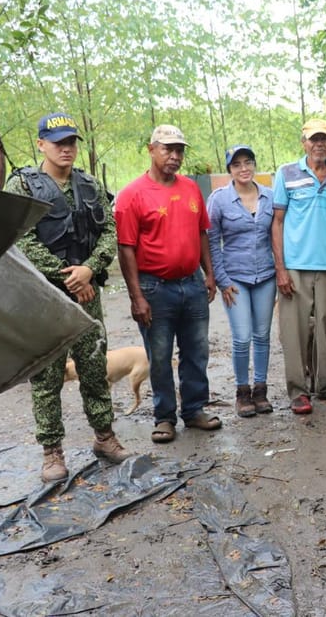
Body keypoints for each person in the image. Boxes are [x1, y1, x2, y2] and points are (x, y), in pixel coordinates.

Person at [5, 112, 132, 480]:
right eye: (58, 142)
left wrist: (90, 268)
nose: (66, 148)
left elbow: (109, 229)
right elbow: (22, 238)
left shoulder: (89, 185)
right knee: (47, 375)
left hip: (87, 291)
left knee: (94, 368)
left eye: (71, 141)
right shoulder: (23, 186)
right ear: (41, 144)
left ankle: (104, 437)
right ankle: (52, 452)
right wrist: (70, 278)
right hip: (43, 297)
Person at [116, 124, 220, 443]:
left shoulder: (190, 189)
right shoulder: (131, 195)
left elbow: (202, 232)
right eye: (167, 149)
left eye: (179, 151)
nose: (175, 156)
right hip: (154, 288)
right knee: (159, 355)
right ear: (151, 149)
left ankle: (194, 410)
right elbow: (126, 248)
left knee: (196, 351)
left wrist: (209, 273)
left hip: (192, 285)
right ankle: (164, 417)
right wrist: (137, 297)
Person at [273, 119, 326, 414]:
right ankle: (297, 391)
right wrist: (280, 268)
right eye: (313, 139)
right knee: (294, 332)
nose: (319, 144)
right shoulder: (287, 173)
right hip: (295, 266)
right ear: (303, 142)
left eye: (325, 139)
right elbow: (277, 222)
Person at [207, 145, 276, 417]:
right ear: (230, 170)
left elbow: (276, 236)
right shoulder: (219, 199)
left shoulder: (269, 197)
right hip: (235, 278)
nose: (244, 168)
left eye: (248, 162)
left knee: (262, 336)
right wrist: (222, 280)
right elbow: (212, 241)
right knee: (242, 337)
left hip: (266, 276)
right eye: (237, 165)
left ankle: (260, 391)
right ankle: (242, 392)